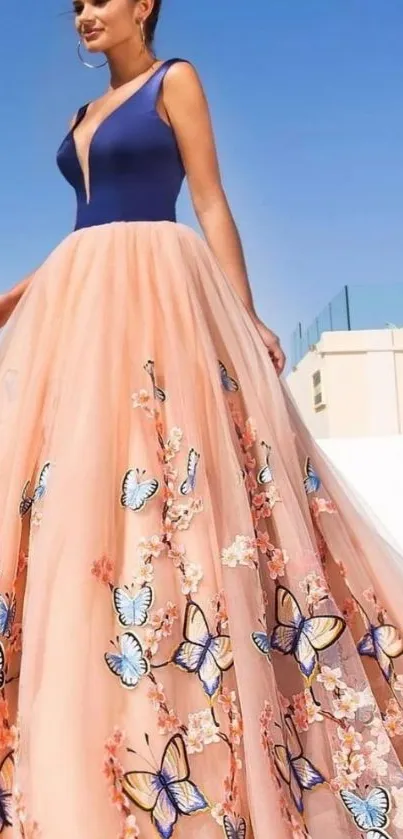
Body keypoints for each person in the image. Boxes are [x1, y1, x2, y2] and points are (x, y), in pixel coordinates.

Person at [1, 1, 403, 838]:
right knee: (74, 498)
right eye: (74, 5)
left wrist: (244, 317)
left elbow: (210, 202)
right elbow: (84, 230)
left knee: (173, 483)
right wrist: (19, 295)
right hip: (80, 303)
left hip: (157, 294)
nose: (83, 15)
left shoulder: (172, 81)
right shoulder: (83, 114)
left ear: (143, 5)